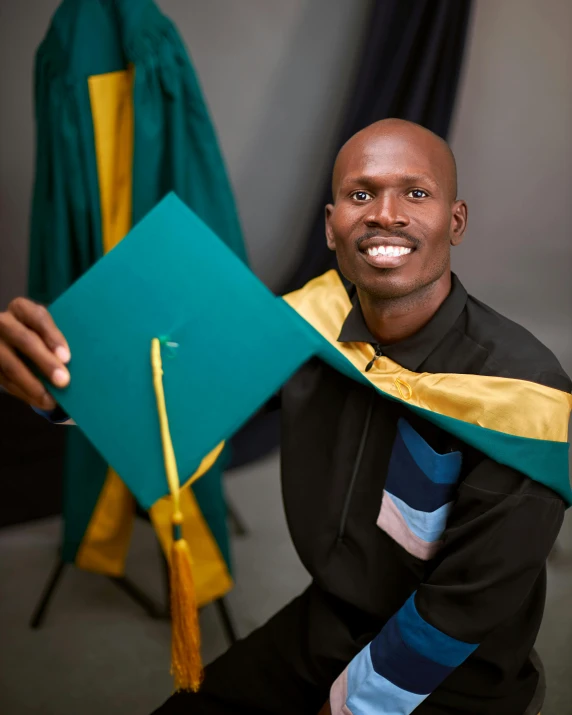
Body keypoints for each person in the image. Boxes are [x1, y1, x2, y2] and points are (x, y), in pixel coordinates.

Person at [1, 119, 569, 715]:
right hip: (328, 621)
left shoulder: (524, 396)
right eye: (360, 194)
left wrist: (349, 707)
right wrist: (56, 385)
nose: (386, 214)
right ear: (331, 226)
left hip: (458, 668)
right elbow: (180, 389)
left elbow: (467, 604)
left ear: (455, 221)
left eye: (416, 193)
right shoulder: (306, 326)